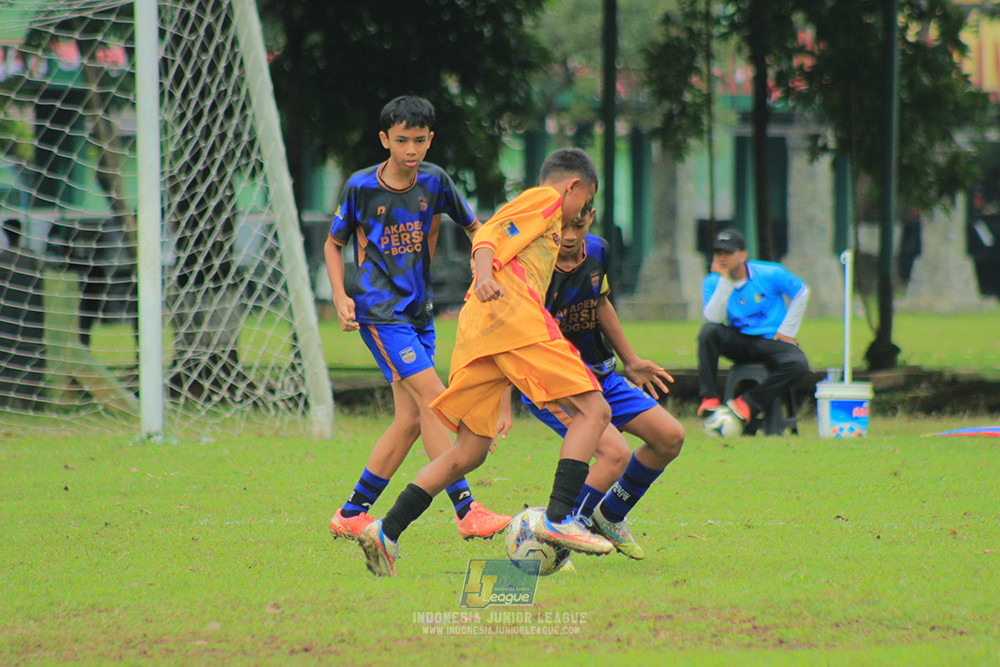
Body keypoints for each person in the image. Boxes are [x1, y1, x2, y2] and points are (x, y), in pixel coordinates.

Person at [357, 147, 614, 577]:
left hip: (483, 334)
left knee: (469, 452)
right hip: (512, 317)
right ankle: (557, 518)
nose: (581, 214)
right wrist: (488, 276)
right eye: (584, 203)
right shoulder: (546, 200)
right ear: (572, 186)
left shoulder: (548, 225)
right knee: (596, 410)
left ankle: (386, 530)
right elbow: (487, 236)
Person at [324, 95, 510, 542]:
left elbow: (475, 228)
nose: (411, 149)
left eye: (420, 140)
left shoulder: (435, 180)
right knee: (435, 400)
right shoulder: (360, 187)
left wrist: (484, 266)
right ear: (385, 140)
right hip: (380, 312)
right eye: (402, 140)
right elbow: (334, 243)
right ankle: (467, 510)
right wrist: (339, 295)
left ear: (430, 141)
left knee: (409, 420)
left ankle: (352, 513)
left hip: (418, 313)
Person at [519, 201, 684, 559]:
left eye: (577, 226)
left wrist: (632, 360)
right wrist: (502, 401)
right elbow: (511, 335)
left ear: (590, 217)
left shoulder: (598, 250)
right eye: (562, 227)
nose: (569, 236)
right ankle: (554, 536)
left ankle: (608, 516)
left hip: (601, 376)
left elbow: (600, 303)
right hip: (555, 387)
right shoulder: (532, 268)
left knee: (669, 437)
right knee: (615, 454)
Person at [696, 228, 810, 430]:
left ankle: (747, 404)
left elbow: (801, 292)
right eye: (718, 253)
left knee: (799, 364)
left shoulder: (770, 272)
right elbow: (714, 318)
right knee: (708, 332)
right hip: (739, 339)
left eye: (728, 253)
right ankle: (709, 398)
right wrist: (724, 281)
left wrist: (787, 332)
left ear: (742, 255)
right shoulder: (712, 281)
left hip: (771, 340)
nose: (722, 258)